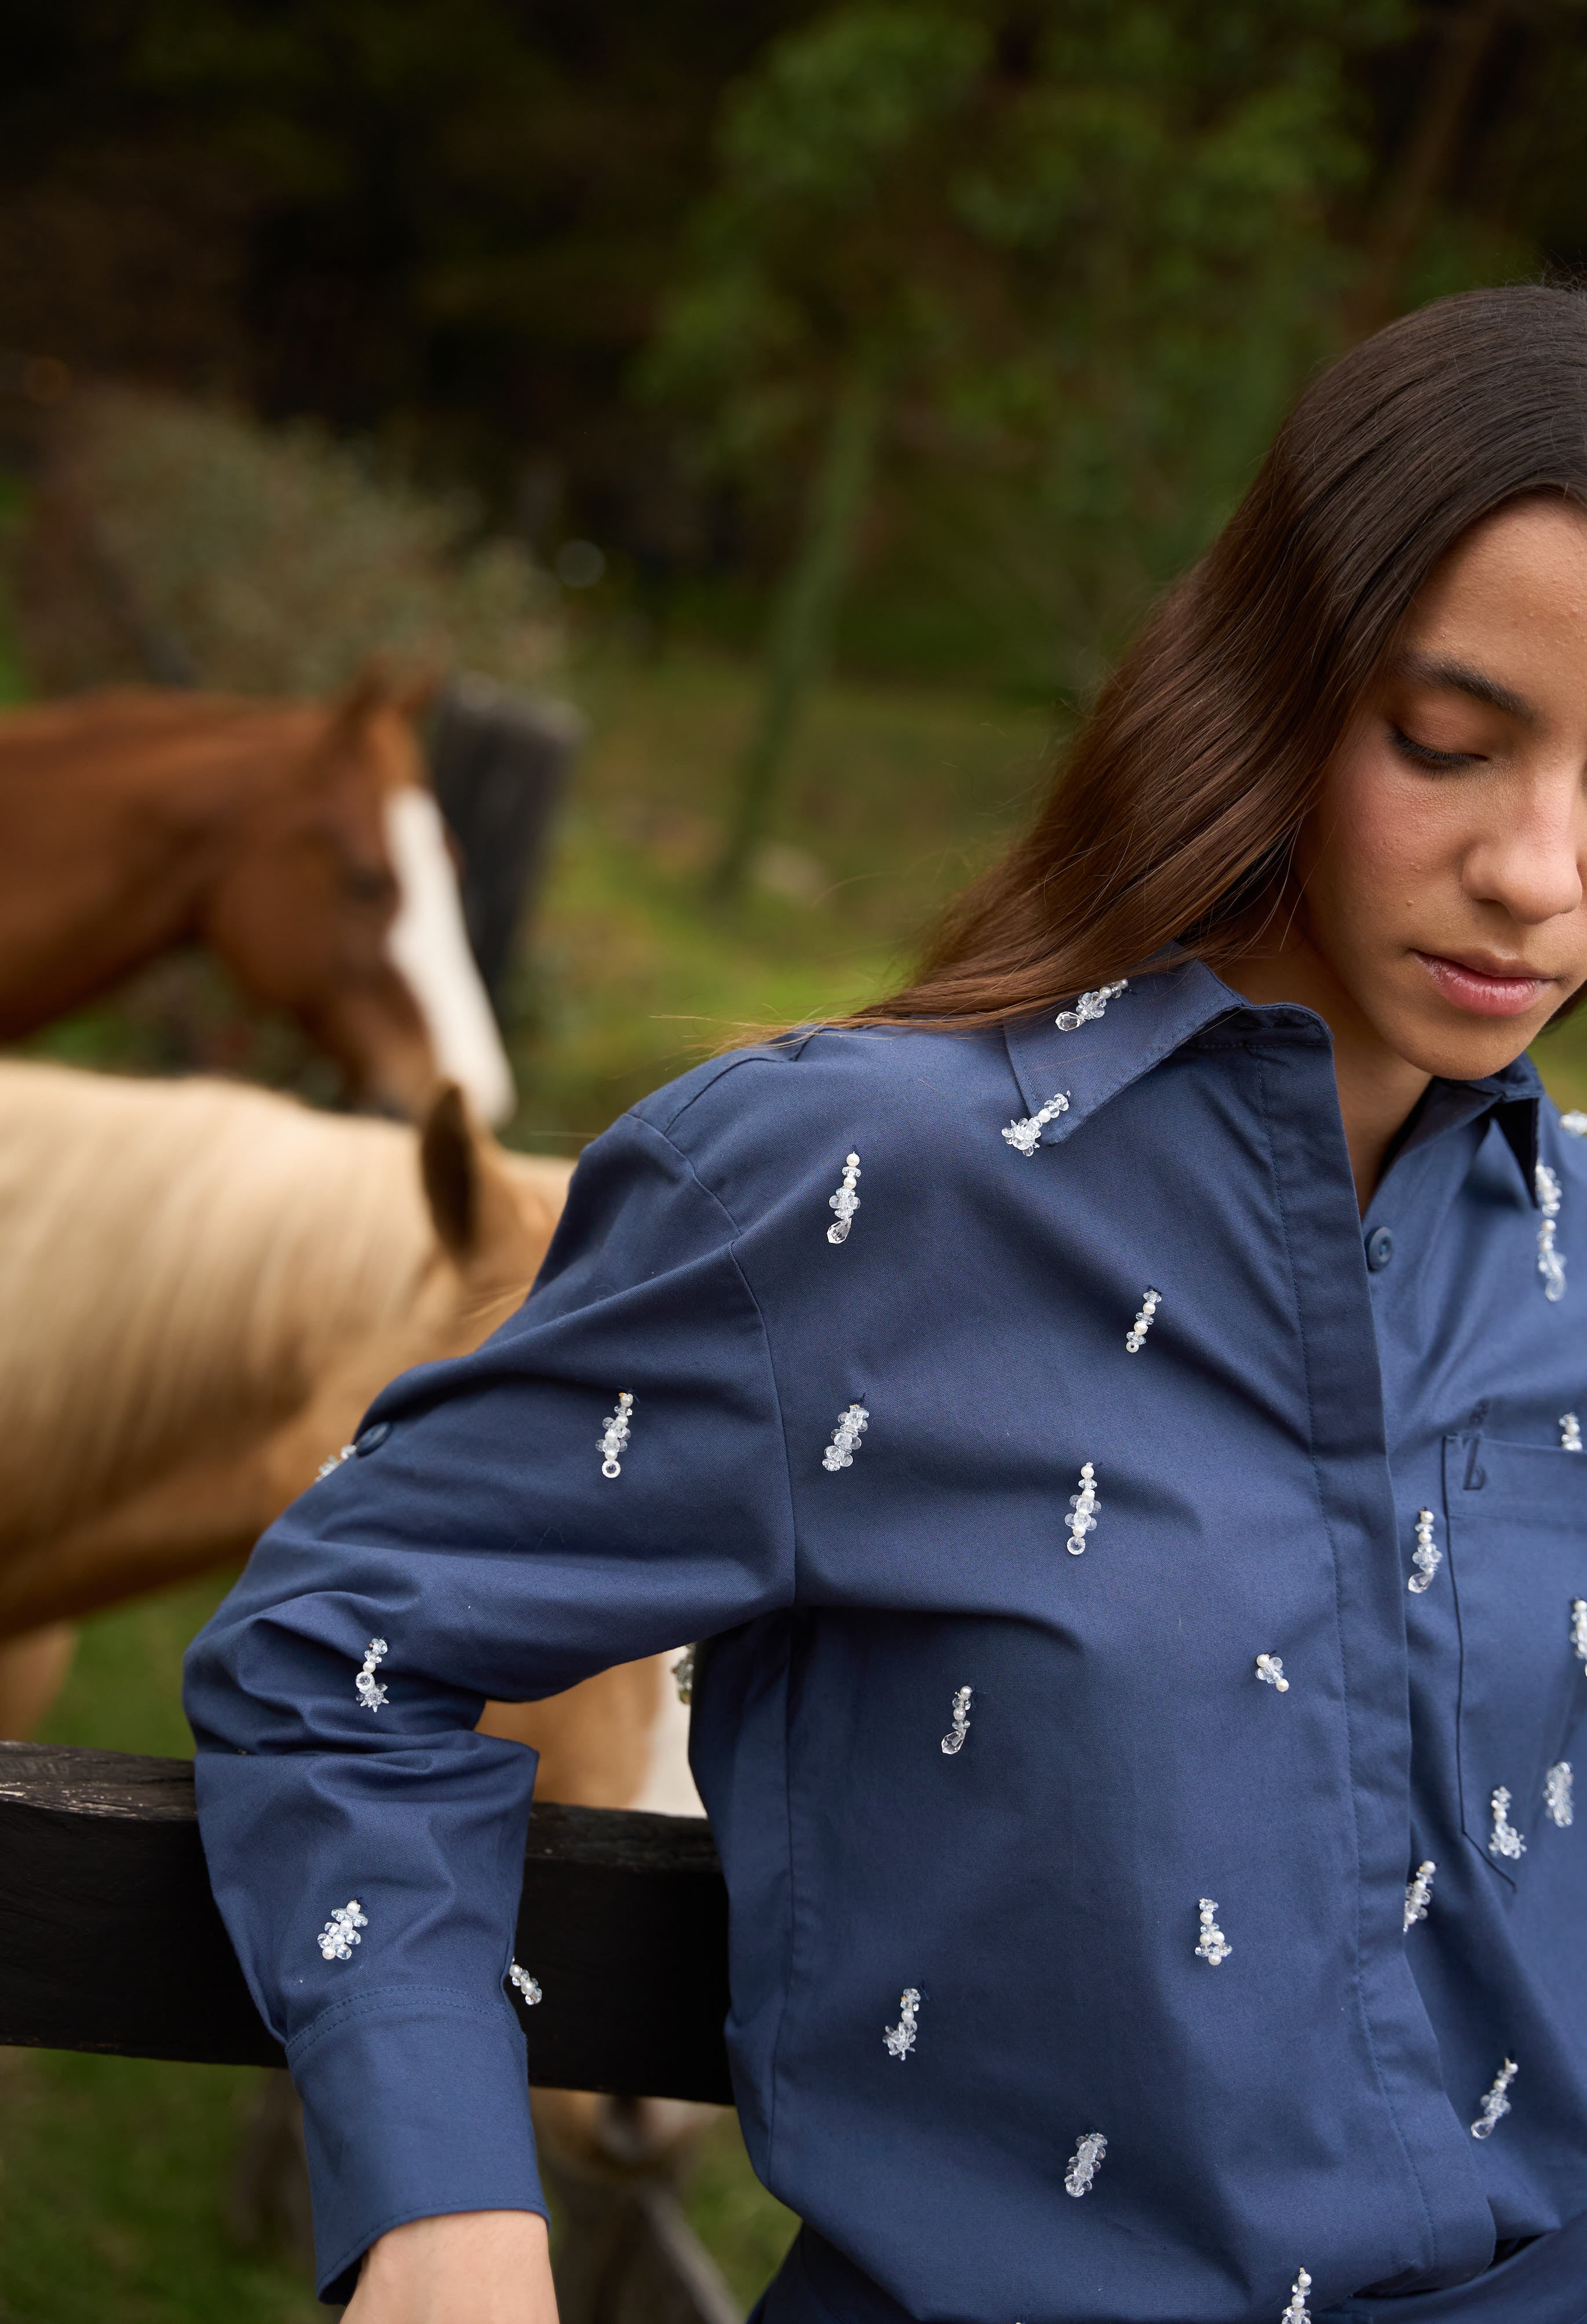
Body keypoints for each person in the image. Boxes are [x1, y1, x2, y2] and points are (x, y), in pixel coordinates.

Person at [186, 284, 1587, 2324]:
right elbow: (338, 1649)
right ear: (1268, 687)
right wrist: (438, 2198)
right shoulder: (857, 1194)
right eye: (1448, 745)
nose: (1540, 869)